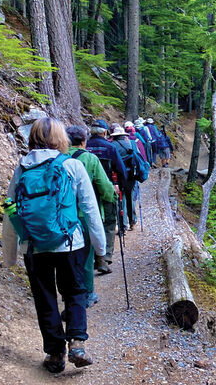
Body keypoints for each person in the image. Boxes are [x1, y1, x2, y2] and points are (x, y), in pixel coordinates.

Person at [2, 117, 106, 373]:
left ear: (32, 138)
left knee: (44, 297)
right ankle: (77, 342)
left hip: (34, 246)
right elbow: (90, 209)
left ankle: (55, 353)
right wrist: (100, 247)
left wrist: (10, 255)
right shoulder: (71, 165)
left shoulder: (23, 167)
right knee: (74, 291)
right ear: (62, 139)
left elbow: (10, 210)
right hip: (70, 242)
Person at [65, 125, 116, 307]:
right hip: (83, 215)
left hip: (62, 216)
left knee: (67, 256)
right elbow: (104, 186)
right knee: (86, 257)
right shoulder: (89, 159)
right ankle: (87, 293)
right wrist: (113, 196)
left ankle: (69, 294)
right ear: (84, 141)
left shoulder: (58, 159)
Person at [85, 119, 127, 273]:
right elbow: (121, 170)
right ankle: (106, 256)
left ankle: (92, 256)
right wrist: (120, 186)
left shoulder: (84, 147)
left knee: (90, 222)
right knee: (109, 222)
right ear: (104, 132)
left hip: (86, 191)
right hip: (107, 190)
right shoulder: (110, 147)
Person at [110, 124, 138, 231]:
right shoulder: (131, 144)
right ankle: (133, 220)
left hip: (118, 176)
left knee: (121, 200)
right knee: (130, 197)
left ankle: (123, 225)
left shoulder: (112, 145)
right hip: (131, 175)